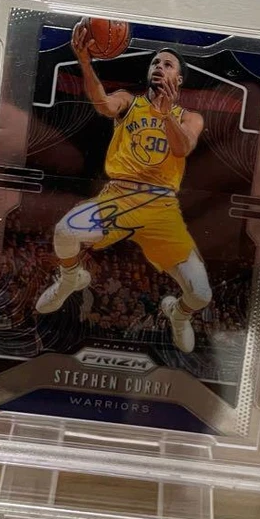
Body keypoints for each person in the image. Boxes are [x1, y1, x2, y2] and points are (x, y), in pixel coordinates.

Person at [34, 21, 212, 352]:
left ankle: (178, 314)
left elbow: (183, 148)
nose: (159, 66)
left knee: (201, 294)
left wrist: (165, 116)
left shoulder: (189, 117)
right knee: (64, 231)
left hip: (161, 207)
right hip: (121, 195)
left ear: (179, 79)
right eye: (155, 62)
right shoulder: (129, 102)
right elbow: (102, 103)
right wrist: (85, 61)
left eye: (168, 64)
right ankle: (72, 279)